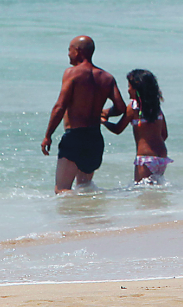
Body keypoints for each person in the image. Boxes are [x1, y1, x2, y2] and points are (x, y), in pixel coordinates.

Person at [41, 35, 125, 194]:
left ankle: (70, 219)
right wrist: (105, 113)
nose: (68, 54)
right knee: (85, 188)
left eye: (69, 50)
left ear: (78, 51)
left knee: (62, 189)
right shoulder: (107, 77)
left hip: (75, 137)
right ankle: (88, 219)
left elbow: (60, 106)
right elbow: (120, 107)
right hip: (94, 138)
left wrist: (48, 135)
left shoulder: (72, 73)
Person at [104, 68, 171, 185]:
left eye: (129, 86)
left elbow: (117, 129)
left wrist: (103, 121)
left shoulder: (133, 108)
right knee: (155, 190)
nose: (128, 90)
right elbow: (164, 134)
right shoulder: (156, 108)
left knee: (143, 193)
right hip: (161, 157)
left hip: (145, 158)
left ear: (137, 89)